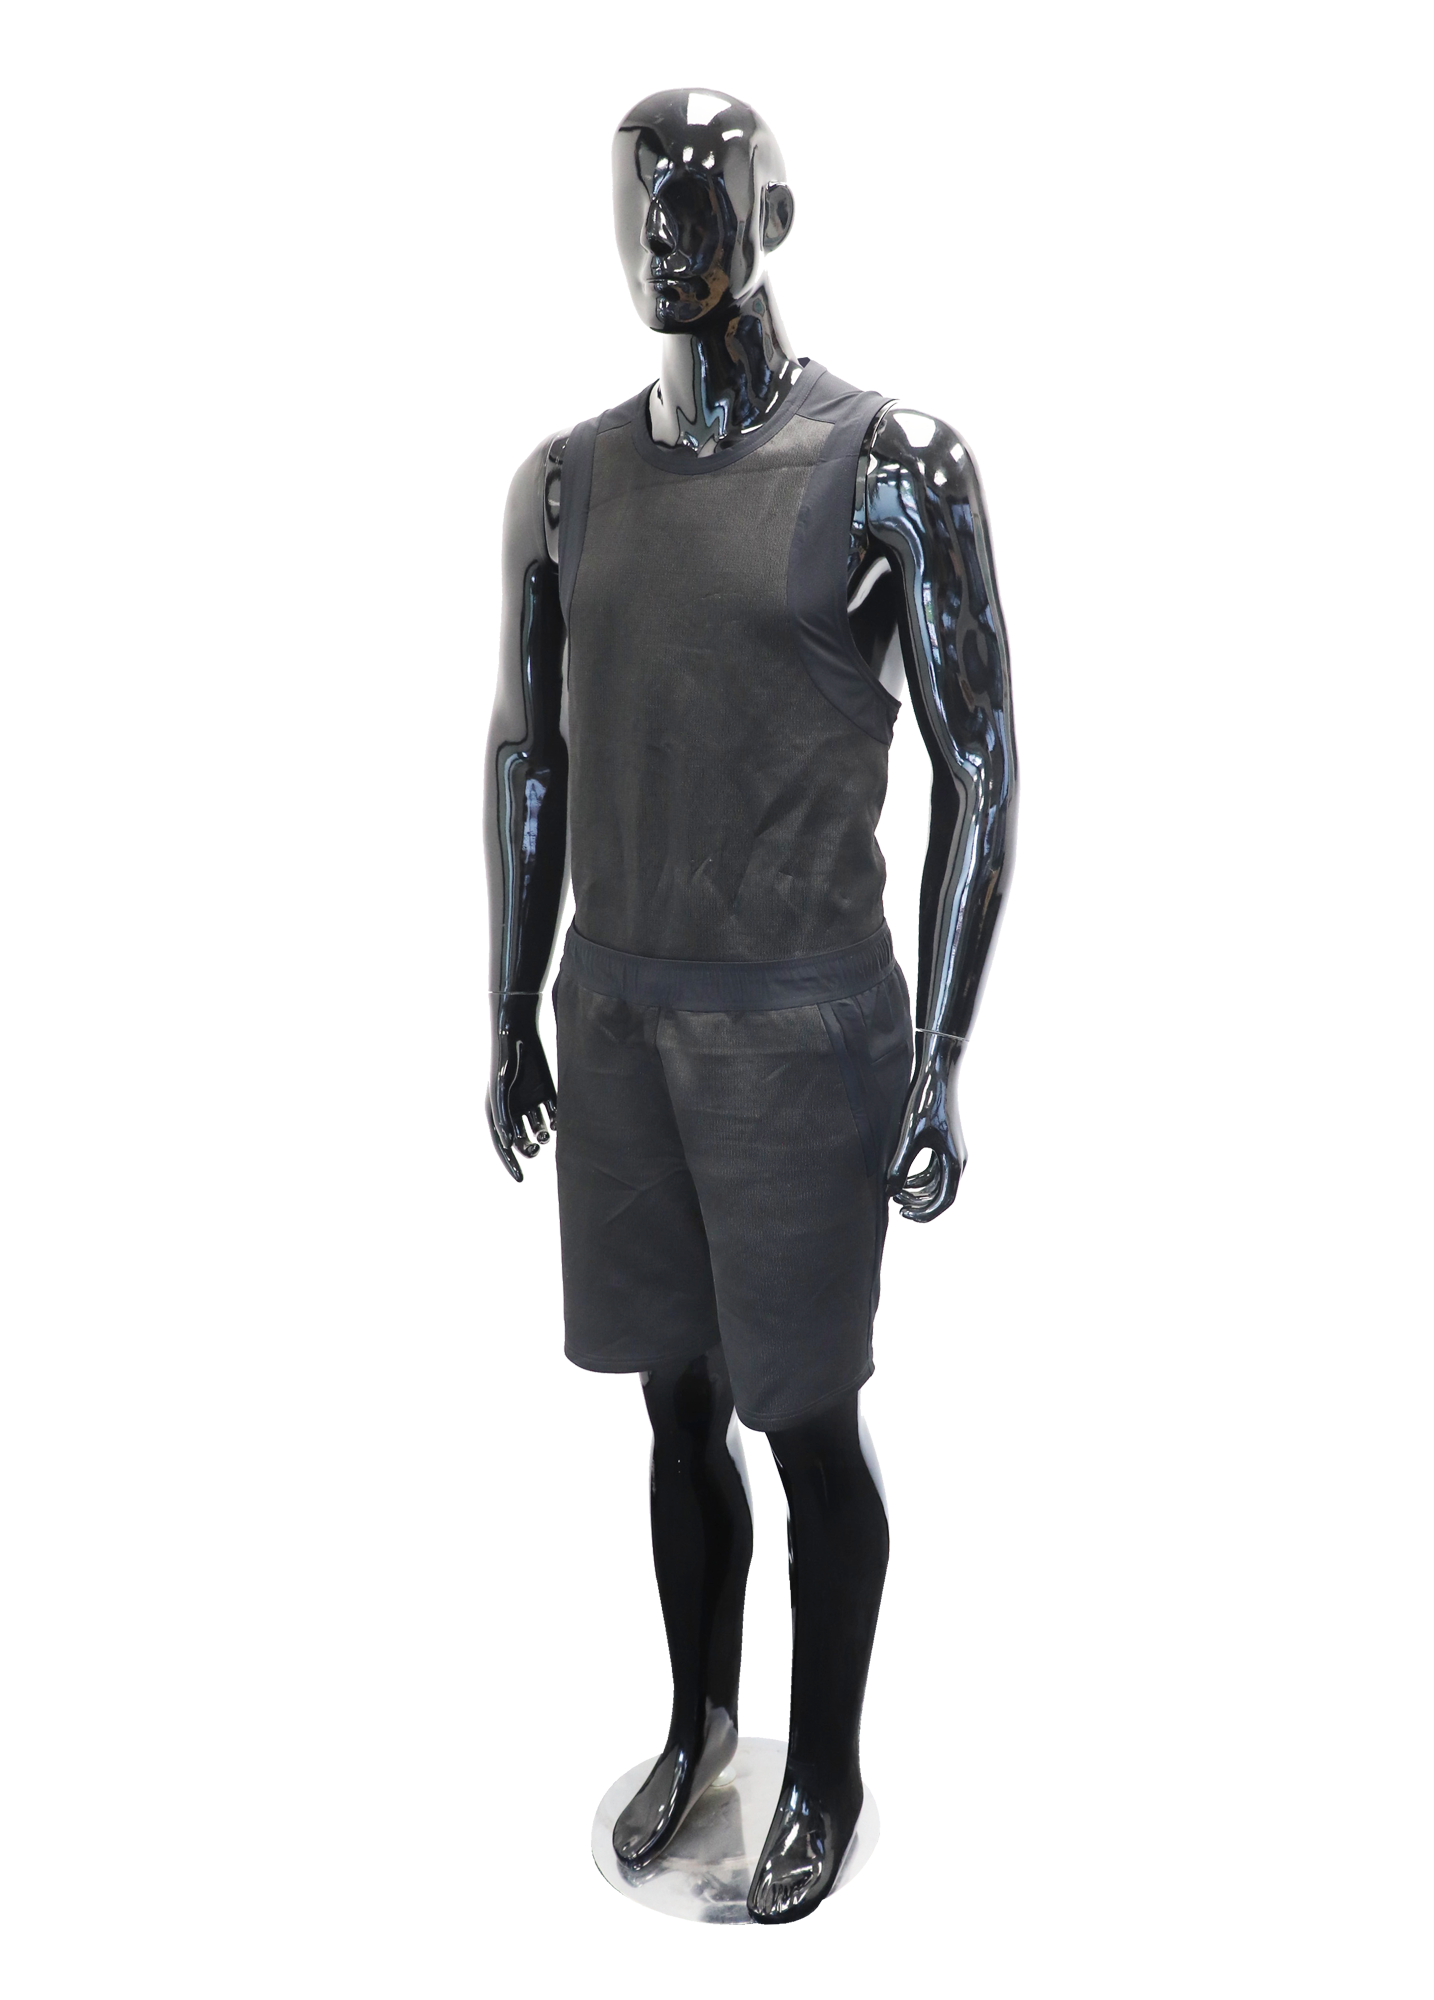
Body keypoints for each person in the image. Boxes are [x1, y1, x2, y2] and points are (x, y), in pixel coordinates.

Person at [486, 87, 1016, 1924]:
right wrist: (509, 1000)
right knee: (671, 1406)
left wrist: (942, 1060)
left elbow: (986, 765)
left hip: (800, 1032)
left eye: (702, 190)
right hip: (621, 1014)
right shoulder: (568, 485)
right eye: (640, 192)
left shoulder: (888, 465)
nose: (667, 223)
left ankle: (833, 1774)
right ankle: (700, 1722)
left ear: (774, 216)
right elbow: (530, 756)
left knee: (810, 1428)